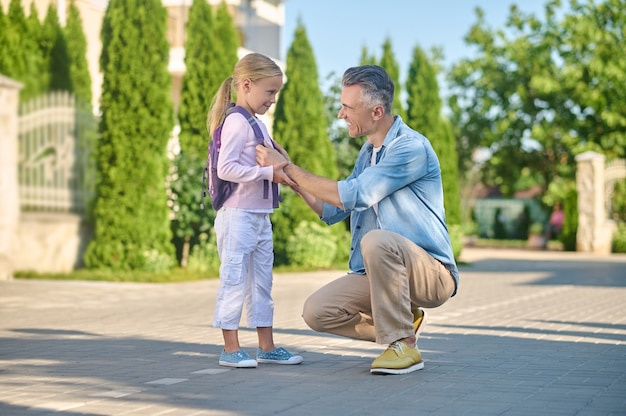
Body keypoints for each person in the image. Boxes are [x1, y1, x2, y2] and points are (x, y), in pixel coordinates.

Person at [256, 65, 459, 375]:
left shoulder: (410, 148)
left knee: (375, 241)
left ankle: (405, 345)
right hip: (384, 274)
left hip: (431, 273)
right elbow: (334, 210)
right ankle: (404, 318)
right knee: (318, 312)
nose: (341, 114)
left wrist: (290, 169)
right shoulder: (368, 153)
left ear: (376, 111)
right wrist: (288, 175)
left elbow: (356, 194)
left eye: (348, 108)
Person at [206, 52, 302, 368]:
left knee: (262, 281)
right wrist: (267, 173)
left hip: (260, 216)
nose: (273, 99)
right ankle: (230, 348)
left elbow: (272, 158)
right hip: (238, 215)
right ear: (247, 85)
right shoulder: (236, 121)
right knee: (234, 278)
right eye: (270, 91)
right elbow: (225, 169)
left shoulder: (256, 123)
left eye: (276, 92)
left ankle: (266, 346)